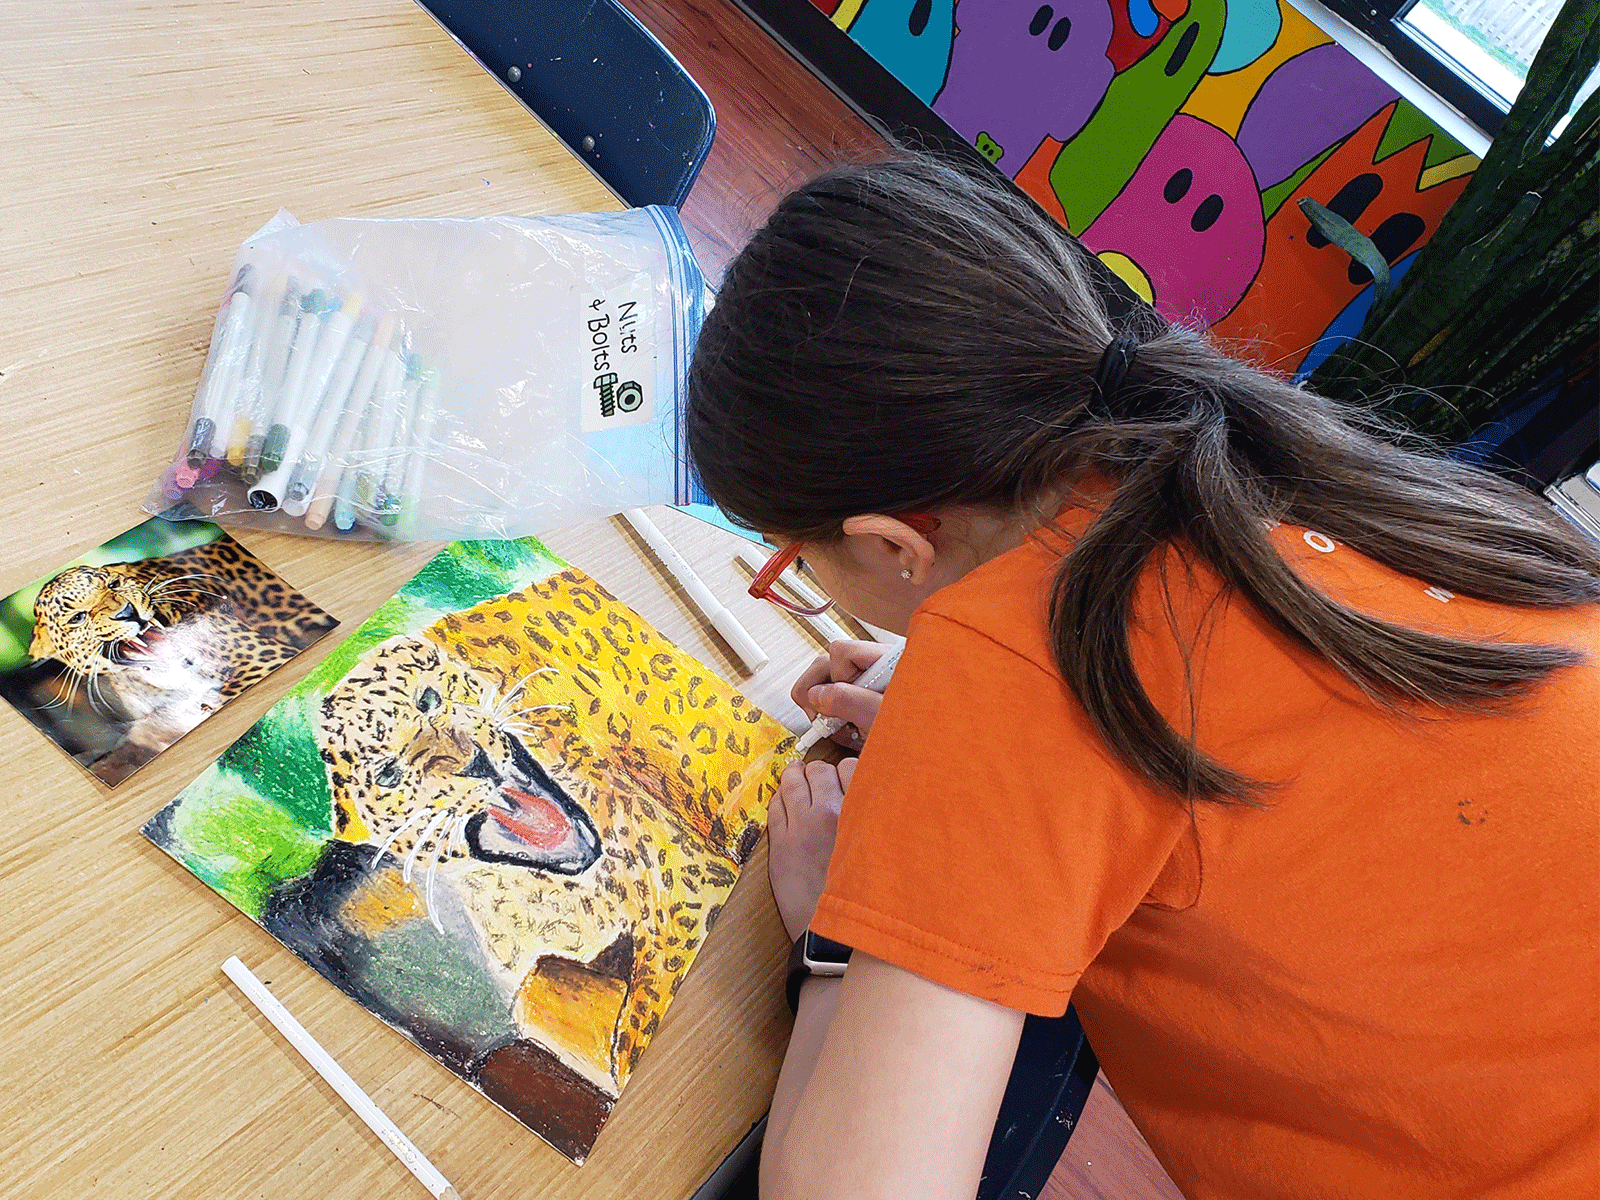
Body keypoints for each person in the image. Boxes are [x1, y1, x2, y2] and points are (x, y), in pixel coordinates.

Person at [684, 155, 1600, 1200]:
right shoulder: (1258, 458)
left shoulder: (1021, 656)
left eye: (791, 564)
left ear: (896, 546)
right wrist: (969, 721)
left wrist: (835, 934)